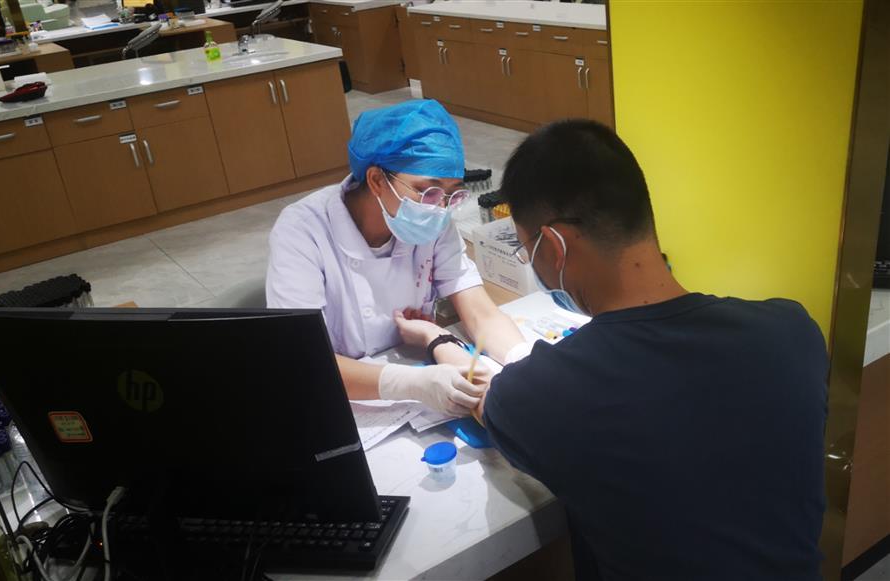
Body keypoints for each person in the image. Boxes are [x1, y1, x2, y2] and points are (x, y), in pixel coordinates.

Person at [469, 120, 827, 579]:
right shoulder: (793, 332)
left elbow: (489, 402)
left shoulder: (541, 393)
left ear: (555, 246)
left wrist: (440, 346)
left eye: (527, 250)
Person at [266, 99, 525, 416]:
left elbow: (480, 312)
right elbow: (304, 359)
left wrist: (524, 360)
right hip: (335, 394)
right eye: (427, 190)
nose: (440, 206)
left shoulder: (434, 218)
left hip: (412, 368)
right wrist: (410, 383)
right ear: (376, 180)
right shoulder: (303, 231)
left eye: (452, 193)